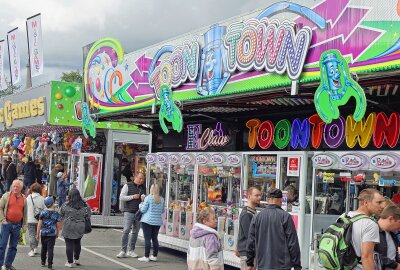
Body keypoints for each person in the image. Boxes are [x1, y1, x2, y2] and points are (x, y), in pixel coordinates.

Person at [246, 188, 301, 270]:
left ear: (268, 200)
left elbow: (251, 242)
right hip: (282, 266)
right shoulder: (286, 217)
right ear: (281, 200)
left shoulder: (257, 217)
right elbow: (293, 244)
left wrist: (250, 263)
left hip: (262, 265)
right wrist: (297, 266)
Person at [347, 188, 386, 270]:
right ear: (366, 203)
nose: (383, 206)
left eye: (383, 202)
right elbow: (367, 257)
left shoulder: (345, 216)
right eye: (379, 202)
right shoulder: (370, 224)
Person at [117, 172, 146, 258]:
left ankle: (131, 250)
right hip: (129, 211)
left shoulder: (143, 187)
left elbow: (146, 199)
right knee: (126, 231)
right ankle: (123, 250)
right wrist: (132, 197)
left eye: (143, 179)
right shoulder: (127, 185)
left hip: (139, 212)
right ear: (135, 177)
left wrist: (144, 199)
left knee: (135, 232)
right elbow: (121, 197)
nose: (141, 180)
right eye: (140, 178)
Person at [0, 180, 27, 270]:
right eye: (14, 186)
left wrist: (24, 225)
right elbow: (0, 208)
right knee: (2, 245)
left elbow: (25, 213)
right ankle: (0, 264)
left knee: (13, 247)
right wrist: (3, 220)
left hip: (17, 225)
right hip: (6, 224)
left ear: (21, 188)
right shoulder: (6, 196)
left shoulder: (24, 198)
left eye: (17, 187)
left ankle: (8, 264)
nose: (15, 188)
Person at [60, 188, 91, 268]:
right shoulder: (85, 205)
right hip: (80, 226)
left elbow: (61, 215)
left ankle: (69, 262)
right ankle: (76, 259)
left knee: (69, 244)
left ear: (70, 196)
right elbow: (88, 215)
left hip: (69, 226)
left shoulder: (65, 205)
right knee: (77, 242)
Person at [138, 184, 165, 262]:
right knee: (155, 239)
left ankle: (146, 256)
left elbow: (142, 210)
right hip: (157, 222)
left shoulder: (148, 198)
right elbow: (162, 211)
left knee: (147, 239)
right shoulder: (162, 199)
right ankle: (154, 256)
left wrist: (140, 204)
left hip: (147, 221)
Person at [237, 187, 260, 270]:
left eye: (259, 195)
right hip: (247, 255)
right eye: (256, 195)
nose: (259, 198)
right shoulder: (247, 214)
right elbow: (250, 236)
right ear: (249, 196)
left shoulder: (253, 212)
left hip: (250, 254)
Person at [36, 197, 61, 270]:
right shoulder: (56, 213)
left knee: (43, 248)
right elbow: (58, 226)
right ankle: (50, 264)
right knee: (50, 249)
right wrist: (57, 233)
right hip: (52, 234)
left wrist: (37, 234)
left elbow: (39, 224)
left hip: (43, 233)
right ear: (52, 204)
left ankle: (43, 262)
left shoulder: (43, 213)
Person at [375, 205, 400, 269]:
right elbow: (372, 254)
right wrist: (395, 265)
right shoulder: (373, 230)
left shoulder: (392, 232)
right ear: (391, 219)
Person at [26, 183, 45, 257]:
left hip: (30, 219)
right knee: (37, 234)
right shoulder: (42, 198)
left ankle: (32, 250)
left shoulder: (28, 198)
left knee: (31, 235)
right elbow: (45, 209)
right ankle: (36, 248)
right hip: (39, 220)